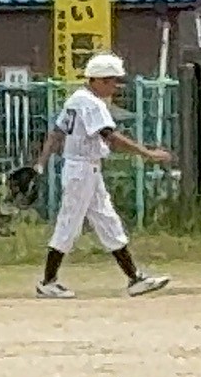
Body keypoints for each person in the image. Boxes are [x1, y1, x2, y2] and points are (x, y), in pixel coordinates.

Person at [33, 53, 174, 299]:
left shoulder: (76, 99)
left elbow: (56, 133)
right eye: (111, 81)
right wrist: (148, 153)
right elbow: (110, 136)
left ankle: (135, 278)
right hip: (82, 170)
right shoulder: (92, 103)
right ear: (98, 80)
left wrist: (41, 164)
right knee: (69, 223)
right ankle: (47, 282)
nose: (115, 86)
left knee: (108, 222)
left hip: (86, 169)